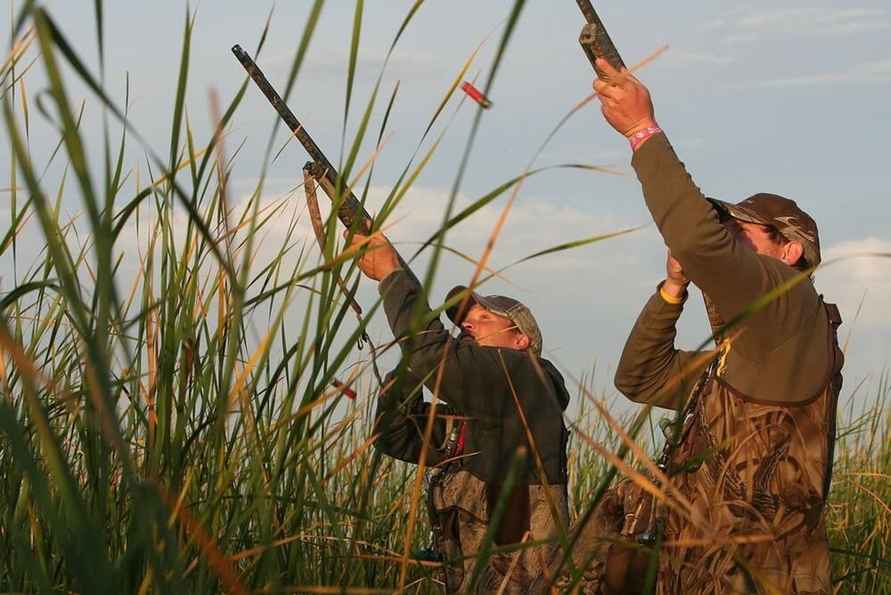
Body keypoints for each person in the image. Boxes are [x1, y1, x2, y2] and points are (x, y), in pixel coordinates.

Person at [558, 58, 844, 594]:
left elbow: (698, 241)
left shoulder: (790, 305)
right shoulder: (747, 356)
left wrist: (642, 130)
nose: (727, 243)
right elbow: (640, 379)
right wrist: (672, 290)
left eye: (741, 233)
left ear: (789, 251)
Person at [346, 231, 572, 593]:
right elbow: (394, 435)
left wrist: (391, 272)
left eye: (484, 317)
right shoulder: (476, 423)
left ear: (521, 341)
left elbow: (435, 357)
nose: (468, 324)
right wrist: (412, 365)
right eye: (465, 322)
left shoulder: (528, 379)